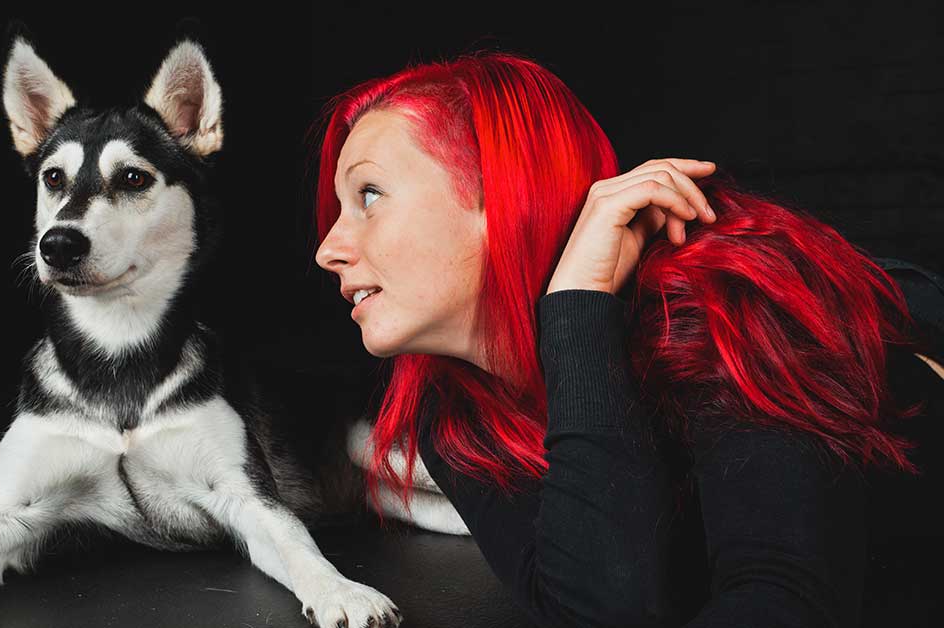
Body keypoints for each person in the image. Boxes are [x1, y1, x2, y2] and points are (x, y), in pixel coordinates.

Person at [309, 51, 942, 627]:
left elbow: (783, 598)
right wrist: (578, 314)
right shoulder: (453, 420)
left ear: (503, 197)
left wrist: (579, 298)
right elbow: (601, 610)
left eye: (369, 195)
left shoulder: (714, 304)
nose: (327, 249)